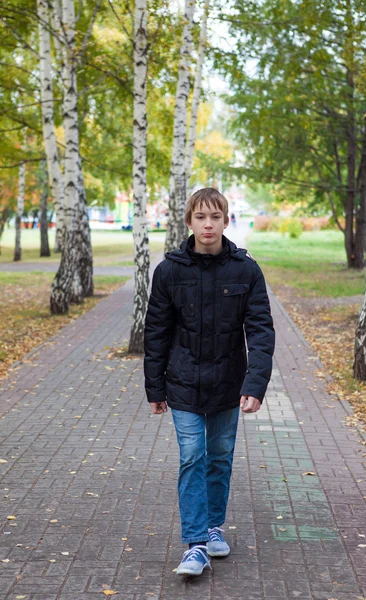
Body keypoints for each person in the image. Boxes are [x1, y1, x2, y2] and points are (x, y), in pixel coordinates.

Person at [144, 187, 275, 577]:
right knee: (191, 457)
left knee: (218, 457)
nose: (208, 224)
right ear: (189, 221)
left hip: (228, 383)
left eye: (215, 217)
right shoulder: (168, 271)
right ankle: (196, 544)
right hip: (182, 383)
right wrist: (155, 388)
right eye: (200, 217)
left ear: (225, 220)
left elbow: (261, 330)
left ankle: (214, 525)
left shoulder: (245, 270)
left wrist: (255, 384)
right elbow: (156, 333)